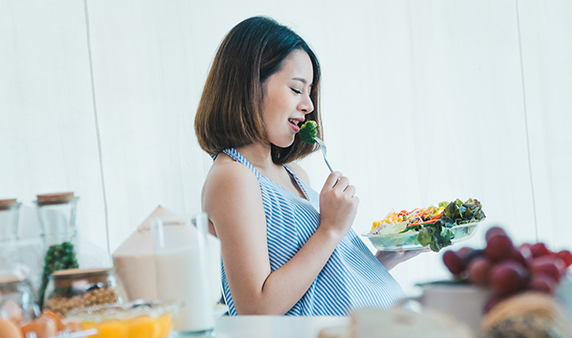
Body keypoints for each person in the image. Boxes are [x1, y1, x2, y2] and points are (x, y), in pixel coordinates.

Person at [195, 16, 421, 316]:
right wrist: (330, 230)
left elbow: (319, 286)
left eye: (309, 91)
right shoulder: (233, 177)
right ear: (249, 85)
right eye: (295, 88)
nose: (309, 105)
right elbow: (256, 308)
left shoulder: (294, 175)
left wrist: (381, 261)